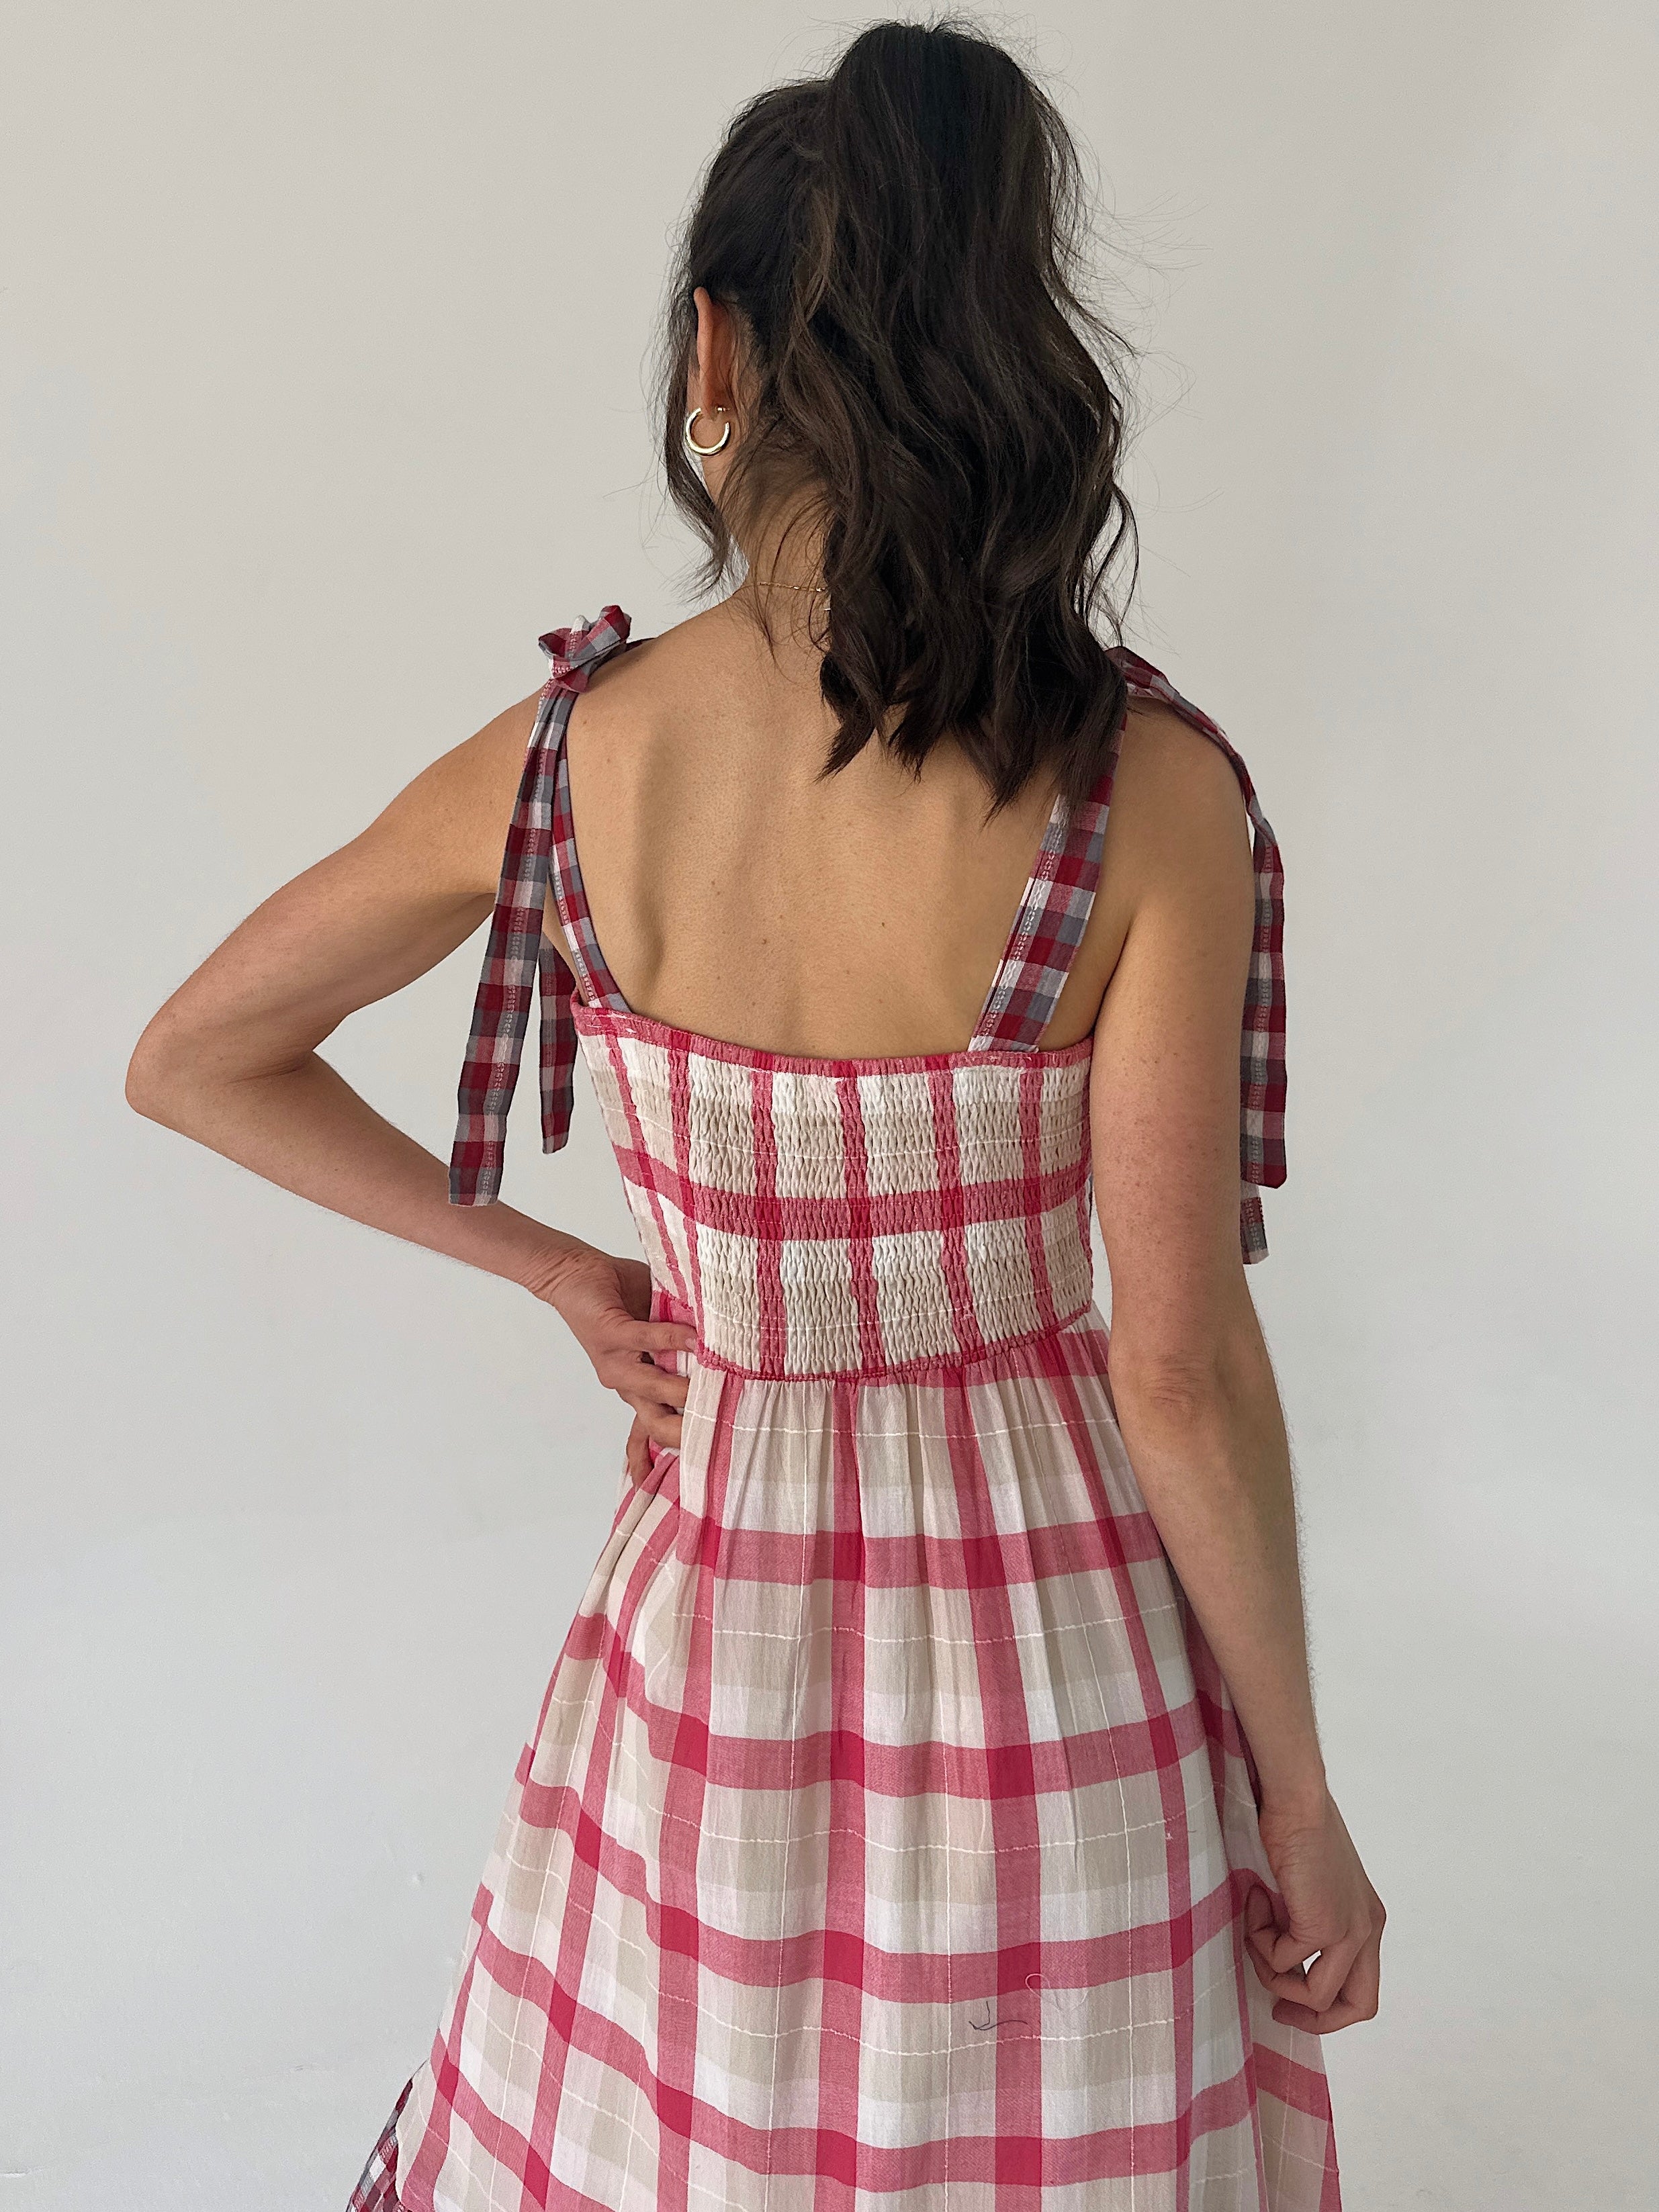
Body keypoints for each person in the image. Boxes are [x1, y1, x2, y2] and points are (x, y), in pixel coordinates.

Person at [127, 19, 1382, 2209]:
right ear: (1018, 357)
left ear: (712, 353)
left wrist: (558, 1272)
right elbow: (1176, 1375)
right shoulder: (1145, 795)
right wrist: (1304, 1799)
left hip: (716, 1629)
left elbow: (195, 1050)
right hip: (1057, 1661)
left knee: (689, 2116)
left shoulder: (575, 757)